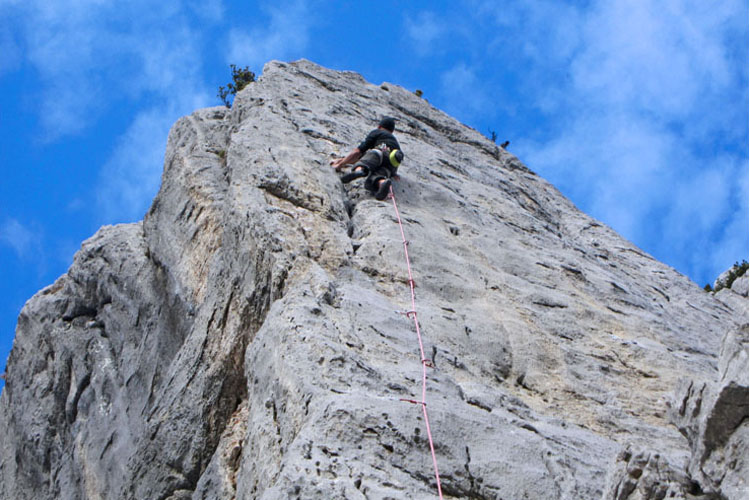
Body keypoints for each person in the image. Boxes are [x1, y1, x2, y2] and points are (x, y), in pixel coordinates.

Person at [330, 116, 404, 201]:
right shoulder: (395, 142)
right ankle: (382, 183)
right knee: (378, 176)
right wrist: (393, 174)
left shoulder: (377, 132)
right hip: (391, 164)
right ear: (392, 131)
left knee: (364, 162)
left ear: (379, 127)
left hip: (378, 153)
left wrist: (340, 164)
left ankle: (359, 171)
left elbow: (358, 152)